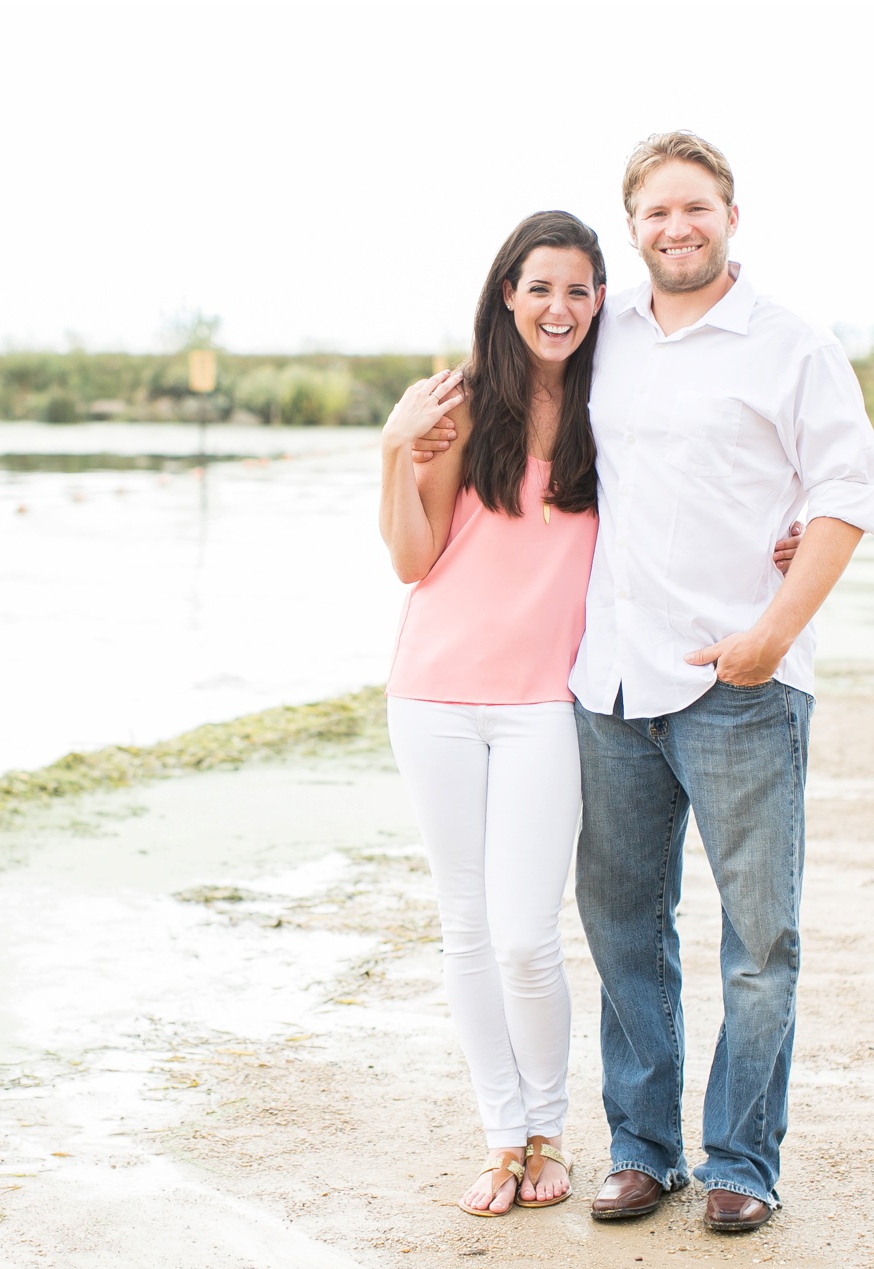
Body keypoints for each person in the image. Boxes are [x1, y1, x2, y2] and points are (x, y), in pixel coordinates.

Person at [569, 130, 874, 1232]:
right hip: (607, 688)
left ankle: (741, 1165)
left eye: (694, 207)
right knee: (622, 933)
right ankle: (639, 1151)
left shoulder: (788, 345)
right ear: (632, 226)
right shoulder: (603, 336)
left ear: (729, 216)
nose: (676, 227)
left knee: (758, 945)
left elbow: (847, 490)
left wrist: (768, 635)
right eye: (655, 212)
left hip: (740, 687)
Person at [376, 210, 608, 1216]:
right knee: (465, 928)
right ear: (505, 294)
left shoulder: (616, 410)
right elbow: (410, 559)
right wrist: (392, 451)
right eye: (539, 288)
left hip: (541, 706)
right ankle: (502, 1139)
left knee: (524, 935)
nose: (557, 308)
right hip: (431, 694)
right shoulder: (455, 404)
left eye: (577, 290)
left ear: (601, 301)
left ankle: (551, 1127)